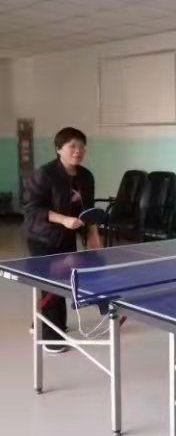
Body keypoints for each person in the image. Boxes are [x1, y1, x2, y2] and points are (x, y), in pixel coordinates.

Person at [23, 127, 102, 354]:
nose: (78, 151)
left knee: (64, 281)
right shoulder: (44, 174)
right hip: (42, 235)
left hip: (67, 235)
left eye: (82, 146)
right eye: (72, 146)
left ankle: (41, 321)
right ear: (59, 149)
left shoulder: (86, 176)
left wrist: (94, 235)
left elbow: (88, 210)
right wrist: (63, 219)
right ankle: (52, 337)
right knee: (52, 283)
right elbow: (32, 207)